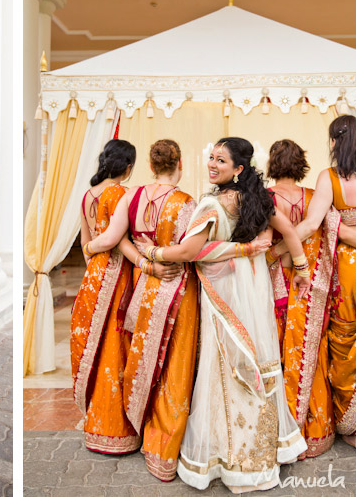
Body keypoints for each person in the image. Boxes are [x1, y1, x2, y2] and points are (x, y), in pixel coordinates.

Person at [135, 137, 309, 492]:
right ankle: (262, 452)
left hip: (225, 293)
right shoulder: (259, 197)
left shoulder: (213, 204)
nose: (213, 165)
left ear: (238, 169)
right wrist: (301, 266)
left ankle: (230, 456)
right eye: (211, 158)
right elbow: (290, 230)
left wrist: (152, 253)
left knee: (226, 367)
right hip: (253, 288)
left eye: (221, 161)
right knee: (255, 359)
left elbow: (188, 251)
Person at [270, 116, 356, 453]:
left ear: (335, 142)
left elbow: (311, 226)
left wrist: (274, 251)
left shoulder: (329, 179)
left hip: (347, 269)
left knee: (347, 345)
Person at [85, 139, 198, 479]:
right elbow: (190, 252)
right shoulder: (187, 202)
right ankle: (162, 447)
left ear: (150, 166)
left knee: (143, 356)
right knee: (174, 364)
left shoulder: (132, 196)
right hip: (177, 285)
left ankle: (139, 431)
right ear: (180, 164)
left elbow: (118, 238)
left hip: (143, 284)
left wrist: (145, 264)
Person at [71, 139, 141, 453]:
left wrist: (92, 259)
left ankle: (95, 420)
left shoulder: (88, 195)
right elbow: (113, 239)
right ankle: (114, 427)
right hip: (117, 274)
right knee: (115, 347)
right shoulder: (123, 194)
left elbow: (86, 239)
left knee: (96, 348)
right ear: (127, 167)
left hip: (94, 275)